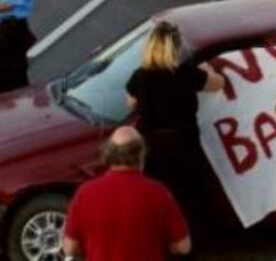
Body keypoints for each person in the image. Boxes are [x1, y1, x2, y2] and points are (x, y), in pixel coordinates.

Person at [125, 23, 224, 221]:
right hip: (184, 145)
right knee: (189, 198)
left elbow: (130, 105)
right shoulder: (186, 74)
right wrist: (206, 69)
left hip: (152, 147)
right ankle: (188, 241)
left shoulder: (140, 76)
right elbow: (219, 83)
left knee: (159, 197)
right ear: (175, 49)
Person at [63, 127, 191, 261]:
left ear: (108, 154)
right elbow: (183, 246)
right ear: (140, 155)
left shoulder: (85, 193)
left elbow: (70, 247)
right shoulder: (159, 193)